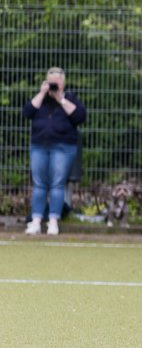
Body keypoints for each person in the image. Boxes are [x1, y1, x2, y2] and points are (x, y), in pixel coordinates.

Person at [22, 67, 86, 236]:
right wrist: (42, 93)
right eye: (51, 82)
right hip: (39, 146)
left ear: (63, 83)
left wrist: (60, 99)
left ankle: (53, 222)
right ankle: (35, 222)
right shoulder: (40, 99)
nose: (53, 85)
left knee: (57, 184)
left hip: (63, 147)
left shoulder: (71, 98)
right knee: (39, 184)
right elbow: (27, 112)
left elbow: (80, 117)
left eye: (57, 82)